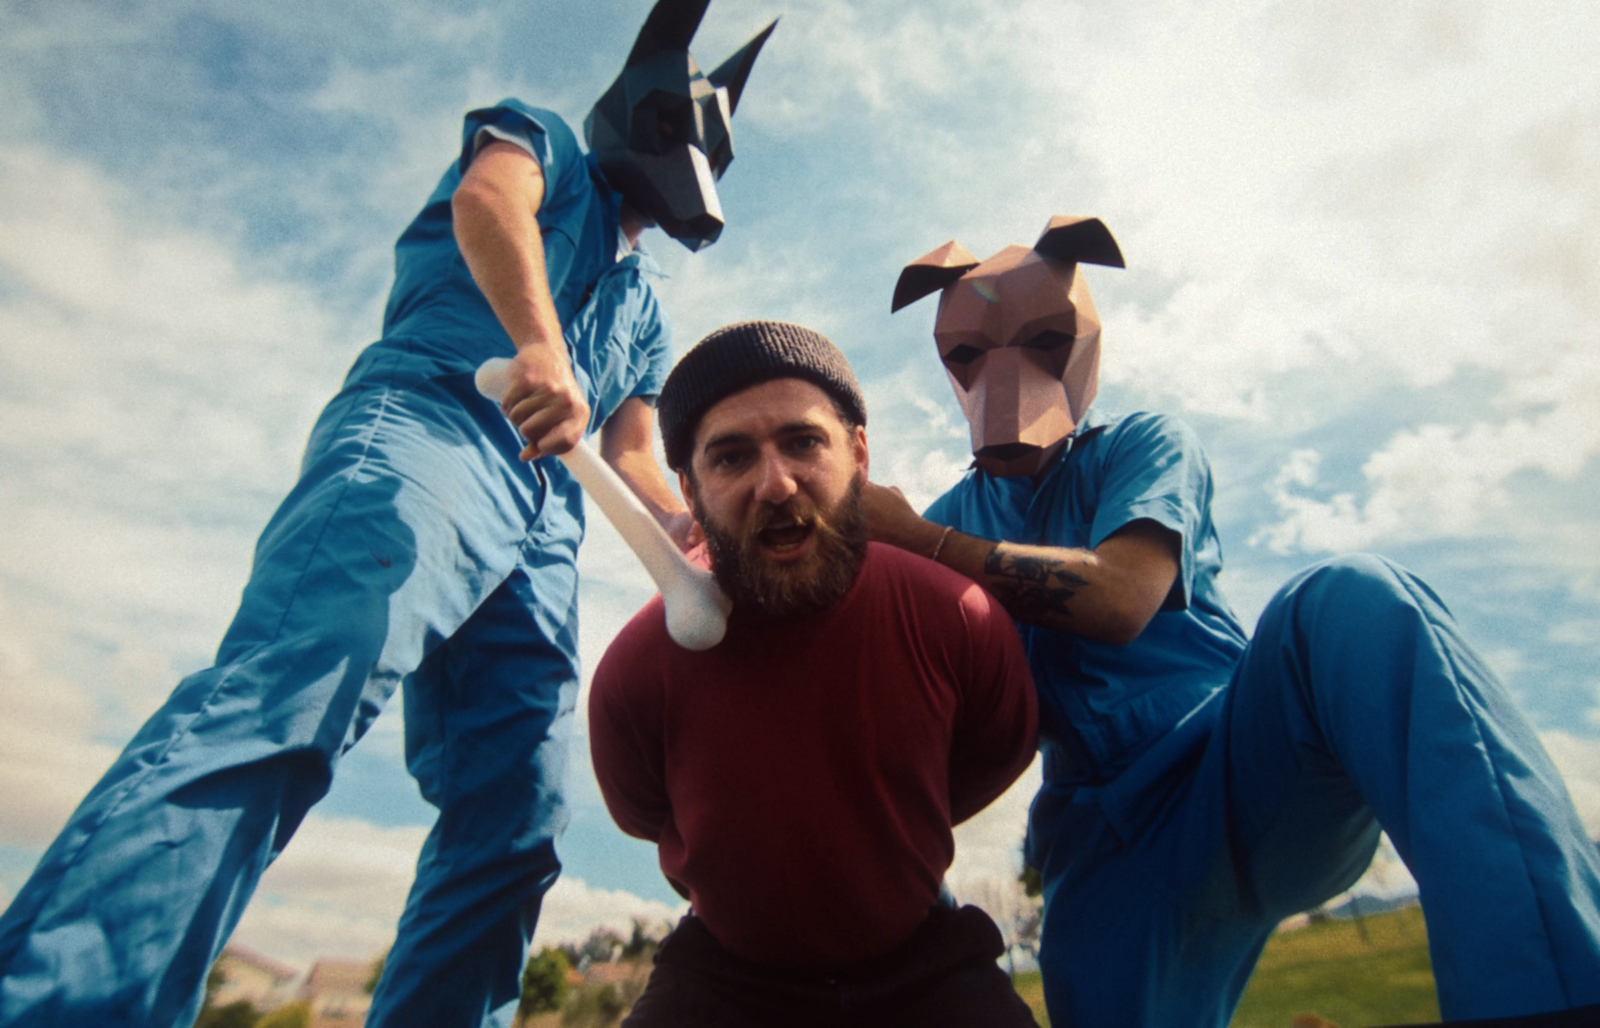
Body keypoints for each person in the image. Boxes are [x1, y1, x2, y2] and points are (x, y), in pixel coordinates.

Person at [0, 3, 775, 1026]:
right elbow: (487, 207)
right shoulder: (536, 136)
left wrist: (692, 534)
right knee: (301, 683)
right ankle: (69, 1002)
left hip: (545, 514)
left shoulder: (642, 308)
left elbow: (634, 447)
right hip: (433, 423)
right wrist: (540, 342)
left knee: (516, 813)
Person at [868, 216, 1600, 1027]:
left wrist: (921, 543)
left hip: (1238, 771)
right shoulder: (942, 522)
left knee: (1352, 600)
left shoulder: (1139, 448)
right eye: (970, 353)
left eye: (1045, 340)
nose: (1007, 377)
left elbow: (1120, 597)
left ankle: (1558, 993)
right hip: (1105, 848)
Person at [588, 320, 1041, 1028]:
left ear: (858, 455)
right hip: (725, 981)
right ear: (690, 491)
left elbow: (991, 755)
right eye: (732, 458)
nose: (776, 483)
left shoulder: (958, 617)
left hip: (926, 963)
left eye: (803, 442)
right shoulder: (636, 674)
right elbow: (645, 813)